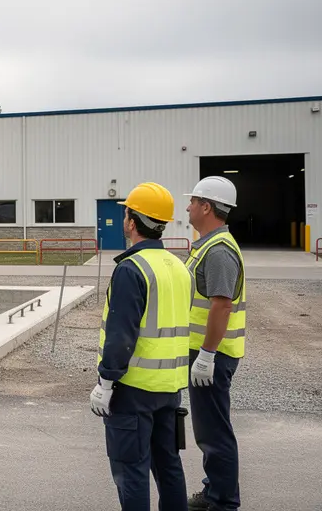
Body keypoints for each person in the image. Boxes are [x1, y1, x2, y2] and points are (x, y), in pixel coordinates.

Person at [90, 182, 193, 511]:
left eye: (126, 214)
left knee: (131, 471)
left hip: (133, 389)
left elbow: (121, 334)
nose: (124, 219)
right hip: (170, 387)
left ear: (132, 222)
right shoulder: (179, 267)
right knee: (168, 466)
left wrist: (106, 382)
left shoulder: (131, 269)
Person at [182, 176, 246, 511]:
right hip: (206, 352)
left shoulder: (219, 251)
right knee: (208, 429)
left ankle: (223, 502)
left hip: (213, 355)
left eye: (193, 201)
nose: (188, 207)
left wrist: (206, 355)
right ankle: (215, 489)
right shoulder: (207, 245)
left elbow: (222, 305)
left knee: (214, 431)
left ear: (206, 207)